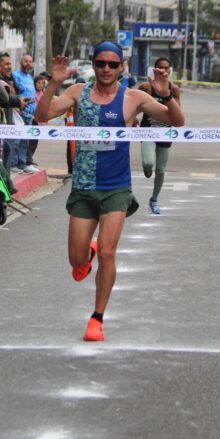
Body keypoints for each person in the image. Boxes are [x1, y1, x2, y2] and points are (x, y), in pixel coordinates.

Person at [35, 42, 184, 342]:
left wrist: (166, 93)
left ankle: (97, 318)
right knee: (77, 261)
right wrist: (54, 83)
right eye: (101, 63)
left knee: (108, 251)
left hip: (116, 187)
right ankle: (85, 253)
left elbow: (176, 122)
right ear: (93, 64)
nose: (106, 69)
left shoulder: (133, 97)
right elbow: (42, 116)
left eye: (112, 65)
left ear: (122, 67)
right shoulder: (78, 92)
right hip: (84, 186)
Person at [137, 57, 182, 215]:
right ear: (154, 69)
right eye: (160, 67)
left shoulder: (173, 89)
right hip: (148, 131)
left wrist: (167, 96)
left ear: (169, 71)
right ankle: (147, 167)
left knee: (161, 171)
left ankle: (154, 199)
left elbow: (177, 114)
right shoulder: (146, 87)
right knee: (149, 163)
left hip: (165, 132)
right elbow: (132, 104)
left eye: (166, 68)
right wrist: (132, 119)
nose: (163, 70)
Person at [12, 54, 41, 170]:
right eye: (26, 61)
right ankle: (13, 164)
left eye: (30, 61)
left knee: (25, 140)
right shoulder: (15, 75)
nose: (28, 63)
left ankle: (23, 164)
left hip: (30, 114)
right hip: (20, 112)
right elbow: (13, 93)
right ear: (21, 62)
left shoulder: (30, 77)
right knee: (16, 139)